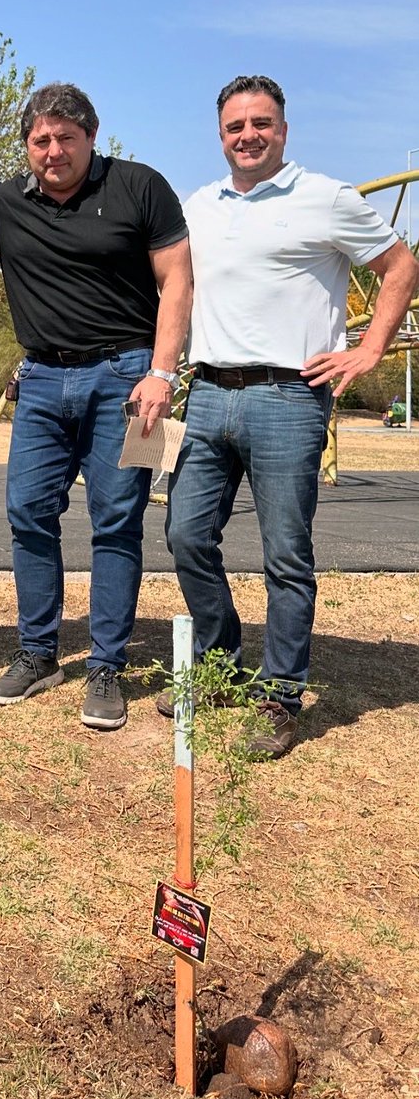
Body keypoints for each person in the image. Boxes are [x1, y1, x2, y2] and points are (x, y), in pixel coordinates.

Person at [164, 75, 419, 757]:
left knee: (284, 554)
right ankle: (220, 667)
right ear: (220, 134)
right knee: (185, 535)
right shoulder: (202, 204)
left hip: (289, 397)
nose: (247, 135)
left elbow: (401, 265)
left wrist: (369, 350)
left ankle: (279, 695)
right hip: (209, 392)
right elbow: (171, 282)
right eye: (234, 126)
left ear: (283, 128)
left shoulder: (325, 198)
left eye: (261, 123)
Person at [0, 84, 193, 729]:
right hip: (41, 378)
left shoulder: (139, 186)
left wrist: (162, 371)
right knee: (27, 512)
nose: (53, 151)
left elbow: (177, 279)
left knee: (116, 520)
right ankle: (39, 652)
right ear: (27, 146)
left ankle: (105, 665)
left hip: (125, 376)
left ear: (91, 138)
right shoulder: (3, 200)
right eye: (40, 140)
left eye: (65, 138)